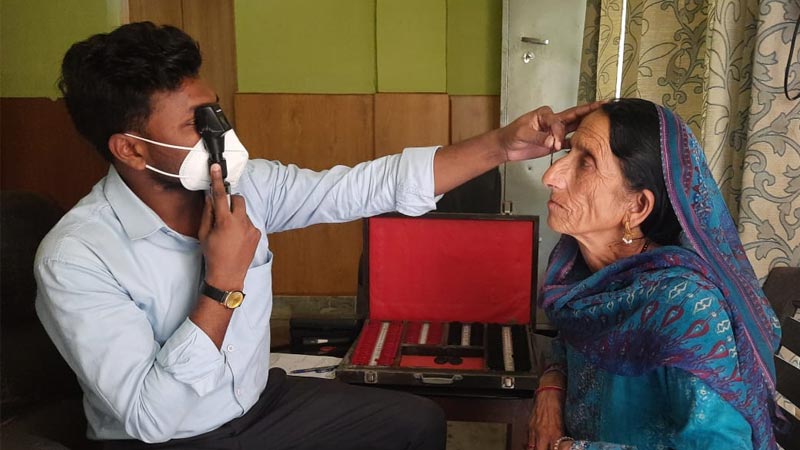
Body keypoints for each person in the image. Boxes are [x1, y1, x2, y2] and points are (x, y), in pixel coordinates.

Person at [34, 21, 598, 450]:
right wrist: (223, 282)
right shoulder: (77, 257)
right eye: (195, 124)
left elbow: (359, 188)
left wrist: (500, 146)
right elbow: (150, 415)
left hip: (255, 404)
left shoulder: (242, 185)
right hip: (165, 438)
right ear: (131, 148)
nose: (222, 134)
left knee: (416, 423)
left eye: (217, 113)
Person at [526, 98, 782, 450]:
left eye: (586, 163)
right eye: (569, 154)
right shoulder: (584, 274)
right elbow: (566, 341)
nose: (550, 176)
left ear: (637, 206)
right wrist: (551, 388)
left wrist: (568, 449)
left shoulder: (685, 307)